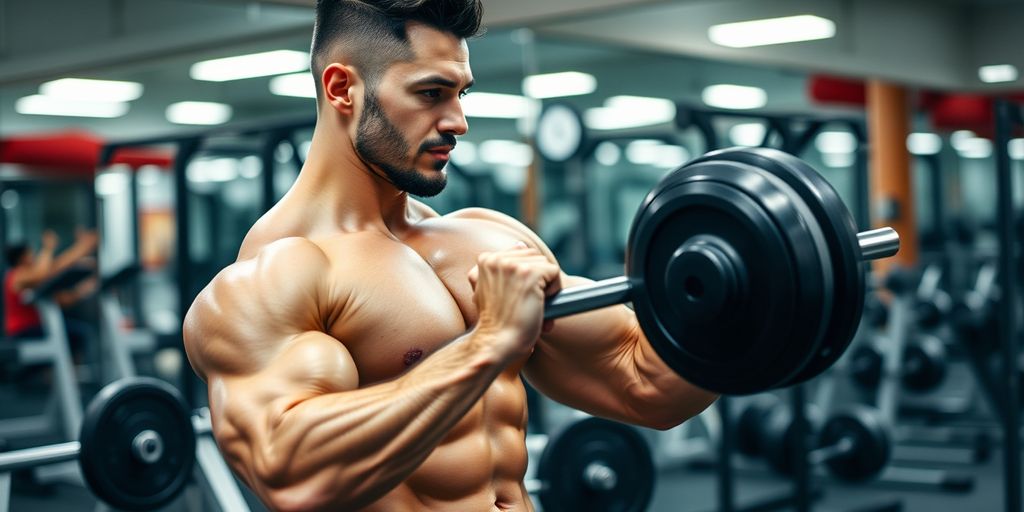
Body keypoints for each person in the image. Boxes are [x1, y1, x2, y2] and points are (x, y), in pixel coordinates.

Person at [183, 1, 717, 510]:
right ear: (343, 87)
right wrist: (488, 346)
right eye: (431, 93)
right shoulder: (278, 276)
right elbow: (292, 473)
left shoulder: (485, 240)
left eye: (461, 92)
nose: (458, 121)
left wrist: (747, 304)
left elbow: (648, 383)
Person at [5, 229, 99, 340]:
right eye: (30, 253)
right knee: (80, 334)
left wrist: (83, 247)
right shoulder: (16, 276)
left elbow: (59, 265)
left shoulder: (31, 277)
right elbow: (43, 272)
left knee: (80, 334)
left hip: (37, 326)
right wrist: (48, 248)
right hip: (23, 329)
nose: (33, 255)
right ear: (23, 257)